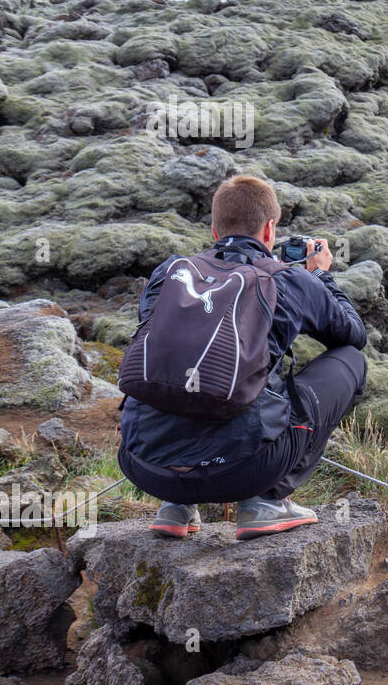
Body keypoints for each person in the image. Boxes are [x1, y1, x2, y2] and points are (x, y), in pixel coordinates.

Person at [117, 175, 367, 539]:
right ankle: (266, 502)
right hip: (247, 469)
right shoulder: (289, 280)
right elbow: (352, 335)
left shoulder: (169, 274)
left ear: (215, 231)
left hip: (144, 465)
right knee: (351, 361)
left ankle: (176, 506)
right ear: (269, 230)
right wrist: (320, 277)